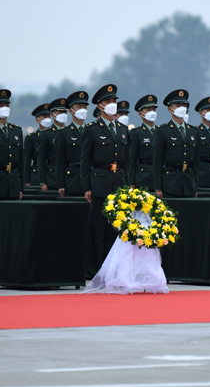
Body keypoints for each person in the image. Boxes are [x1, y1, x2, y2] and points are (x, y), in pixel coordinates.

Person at [81, 84, 129, 277]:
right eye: (108, 101)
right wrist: (87, 187)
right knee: (98, 231)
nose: (112, 104)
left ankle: (113, 269)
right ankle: (95, 270)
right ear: (100, 106)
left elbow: (127, 163)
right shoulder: (92, 130)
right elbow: (85, 162)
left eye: (114, 101)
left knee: (114, 230)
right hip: (99, 184)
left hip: (118, 183)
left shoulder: (123, 129)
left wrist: (127, 184)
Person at [153, 89, 199, 198]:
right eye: (178, 105)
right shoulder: (162, 130)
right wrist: (158, 187)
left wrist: (196, 186)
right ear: (170, 109)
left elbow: (196, 163)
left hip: (189, 183)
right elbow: (157, 161)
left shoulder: (193, 131)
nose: (182, 108)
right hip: (170, 183)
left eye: (184, 105)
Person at [56, 90, 91, 197]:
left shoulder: (92, 130)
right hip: (72, 179)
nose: (82, 110)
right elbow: (59, 161)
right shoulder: (63, 133)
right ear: (71, 110)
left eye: (84, 107)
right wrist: (60, 184)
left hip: (90, 179)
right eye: (79, 107)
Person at [127, 94, 159, 191]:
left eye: (154, 109)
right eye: (148, 110)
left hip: (159, 176)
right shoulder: (136, 133)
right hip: (143, 177)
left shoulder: (161, 131)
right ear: (141, 113)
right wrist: (131, 181)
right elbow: (132, 159)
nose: (152, 112)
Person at [37, 97, 68, 192]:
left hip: (68, 175)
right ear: (53, 114)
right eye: (60, 112)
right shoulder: (46, 134)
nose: (63, 115)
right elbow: (41, 159)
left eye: (65, 112)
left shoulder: (69, 132)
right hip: (52, 176)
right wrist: (42, 182)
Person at [24, 103, 52, 187]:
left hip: (52, 173)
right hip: (36, 175)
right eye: (44, 117)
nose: (47, 119)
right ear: (37, 119)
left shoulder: (55, 134)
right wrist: (27, 180)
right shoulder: (31, 138)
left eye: (48, 116)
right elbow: (27, 160)